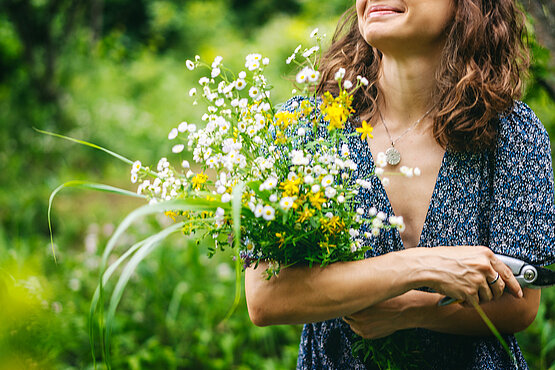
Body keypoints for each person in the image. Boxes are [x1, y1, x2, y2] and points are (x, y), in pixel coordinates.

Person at [245, 0, 555, 368]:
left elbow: (520, 303)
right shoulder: (307, 128)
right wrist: (420, 266)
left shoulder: (512, 132)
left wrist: (413, 310)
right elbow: (266, 296)